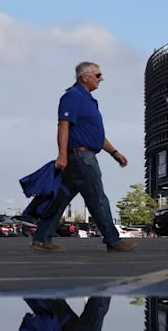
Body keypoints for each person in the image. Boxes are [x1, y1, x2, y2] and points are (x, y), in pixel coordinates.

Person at [30, 62, 137, 253]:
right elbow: (63, 125)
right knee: (98, 198)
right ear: (84, 77)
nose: (101, 79)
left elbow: (95, 135)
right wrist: (62, 155)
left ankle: (41, 238)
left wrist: (114, 153)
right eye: (98, 75)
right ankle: (113, 241)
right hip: (81, 157)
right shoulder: (73, 97)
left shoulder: (88, 100)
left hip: (81, 156)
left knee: (60, 198)